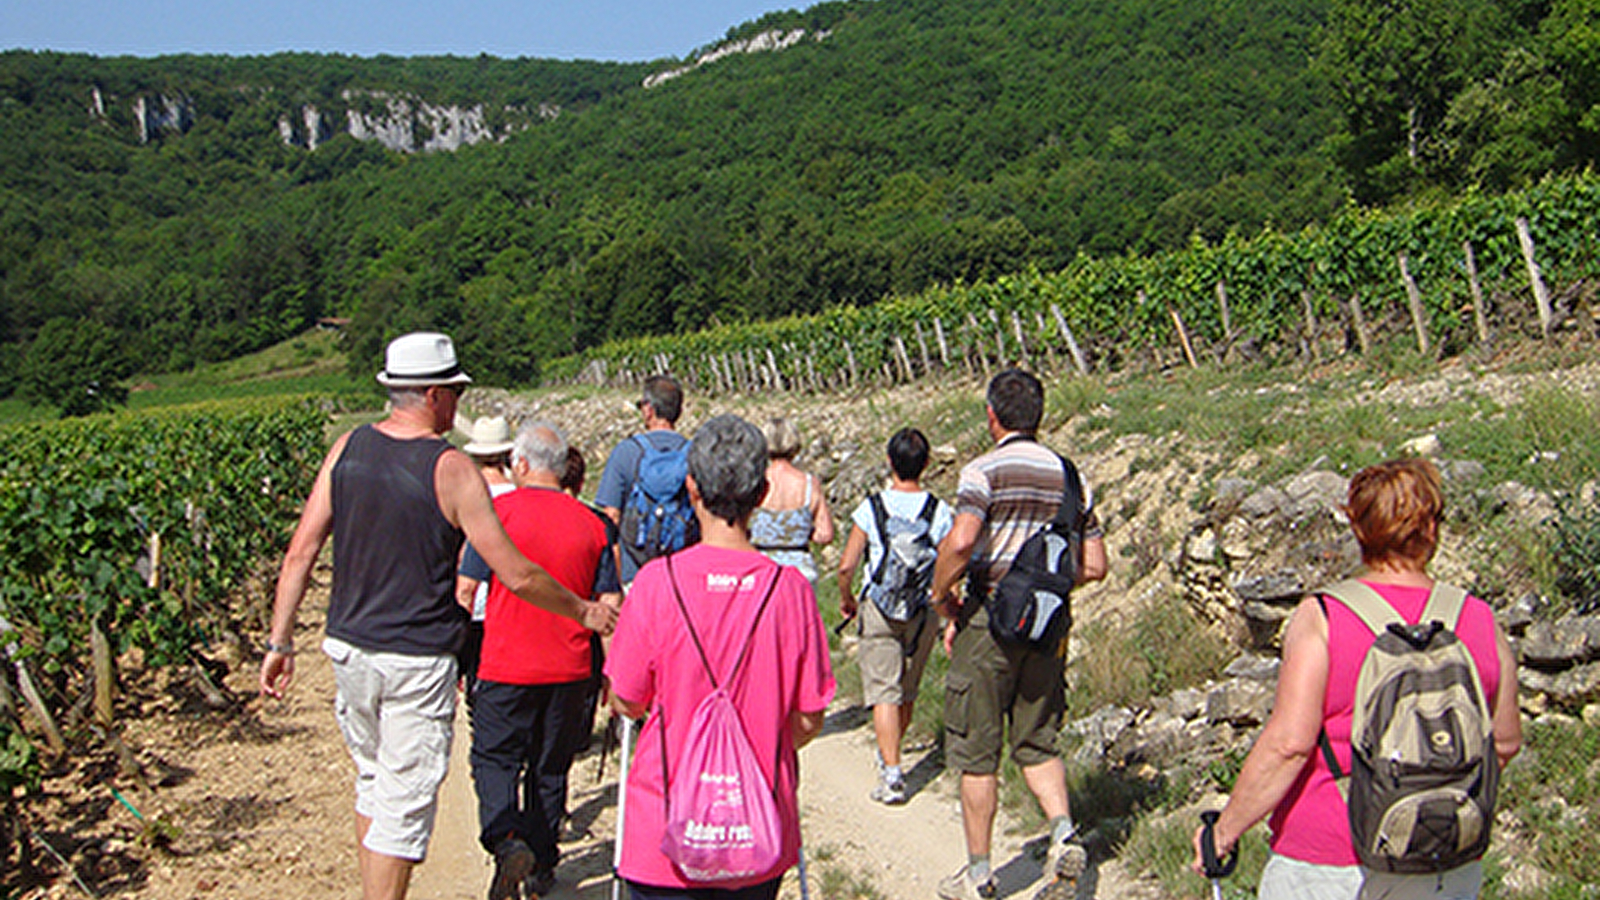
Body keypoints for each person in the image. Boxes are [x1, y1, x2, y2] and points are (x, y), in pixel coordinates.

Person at [259, 332, 616, 900]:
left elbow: (301, 550)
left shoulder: (347, 448)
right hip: (415, 655)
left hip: (349, 647)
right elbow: (516, 573)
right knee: (404, 806)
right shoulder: (450, 469)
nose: (456, 403)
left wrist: (280, 642)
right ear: (432, 395)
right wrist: (582, 610)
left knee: (373, 784)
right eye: (454, 392)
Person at [1190, 458, 1522, 900]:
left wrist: (1224, 831)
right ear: (1432, 528)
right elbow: (1504, 742)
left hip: (1332, 857)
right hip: (1446, 860)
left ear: (1358, 528)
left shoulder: (1324, 617)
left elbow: (1290, 745)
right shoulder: (1478, 619)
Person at [606, 414, 836, 900]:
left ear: (692, 487)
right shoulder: (790, 590)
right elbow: (808, 718)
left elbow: (626, 700)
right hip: (756, 827)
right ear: (761, 494)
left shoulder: (655, 584)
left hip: (664, 828)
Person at [930, 368, 1107, 900]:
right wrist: (1042, 586)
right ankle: (1062, 833)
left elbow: (963, 540)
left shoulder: (982, 471)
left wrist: (942, 594)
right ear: (1040, 415)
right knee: (1037, 740)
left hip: (989, 618)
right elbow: (1094, 565)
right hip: (1050, 622)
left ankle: (979, 875)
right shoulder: (1072, 477)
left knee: (977, 750)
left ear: (992, 417)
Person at [456, 422, 623, 900]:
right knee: (549, 768)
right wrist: (611, 672)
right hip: (570, 667)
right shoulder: (594, 524)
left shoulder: (497, 514)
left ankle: (507, 840)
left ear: (522, 464)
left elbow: (466, 589)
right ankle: (543, 865)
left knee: (494, 759)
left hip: (505, 663)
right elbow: (609, 602)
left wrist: (461, 657)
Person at [837, 427, 953, 805]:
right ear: (927, 463)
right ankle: (891, 754)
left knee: (882, 691)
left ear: (889, 461)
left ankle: (892, 772)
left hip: (879, 607)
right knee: (907, 690)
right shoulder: (939, 511)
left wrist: (848, 598)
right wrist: (947, 603)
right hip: (922, 608)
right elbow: (950, 561)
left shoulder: (871, 508)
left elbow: (847, 565)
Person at [596, 375, 695, 589]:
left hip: (635, 574)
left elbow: (611, 516)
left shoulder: (626, 452)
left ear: (648, 409)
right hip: (683, 576)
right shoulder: (694, 454)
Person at [454, 415, 518, 701]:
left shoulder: (463, 494)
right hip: (509, 604)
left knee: (475, 685)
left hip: (472, 605)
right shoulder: (518, 495)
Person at [748, 417, 834, 585]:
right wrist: (801, 530)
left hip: (762, 569)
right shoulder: (809, 484)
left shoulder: (755, 482)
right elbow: (825, 534)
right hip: (800, 571)